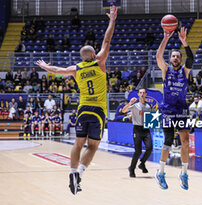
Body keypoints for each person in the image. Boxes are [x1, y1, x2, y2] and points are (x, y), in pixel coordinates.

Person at [36, 6, 118, 195]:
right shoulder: (100, 63)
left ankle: (72, 173)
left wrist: (45, 66)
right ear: (93, 54)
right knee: (93, 145)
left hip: (82, 109)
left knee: (78, 143)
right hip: (98, 110)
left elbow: (57, 71)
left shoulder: (76, 69)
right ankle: (80, 173)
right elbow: (107, 39)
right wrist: (112, 20)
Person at [155, 26, 194, 190]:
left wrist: (184, 43)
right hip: (168, 110)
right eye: (173, 56)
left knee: (185, 142)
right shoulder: (166, 69)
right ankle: (161, 172)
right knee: (168, 142)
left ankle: (184, 173)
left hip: (182, 110)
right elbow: (158, 56)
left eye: (178, 56)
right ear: (170, 59)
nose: (176, 58)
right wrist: (165, 38)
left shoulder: (185, 71)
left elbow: (191, 59)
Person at [122, 89, 153, 178]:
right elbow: (124, 111)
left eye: (144, 92)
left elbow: (150, 118)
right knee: (138, 151)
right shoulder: (135, 105)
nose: (142, 94)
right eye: (141, 93)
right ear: (138, 94)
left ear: (146, 94)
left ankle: (142, 163)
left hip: (146, 129)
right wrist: (130, 103)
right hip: (137, 129)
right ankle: (132, 168)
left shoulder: (148, 106)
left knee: (150, 148)